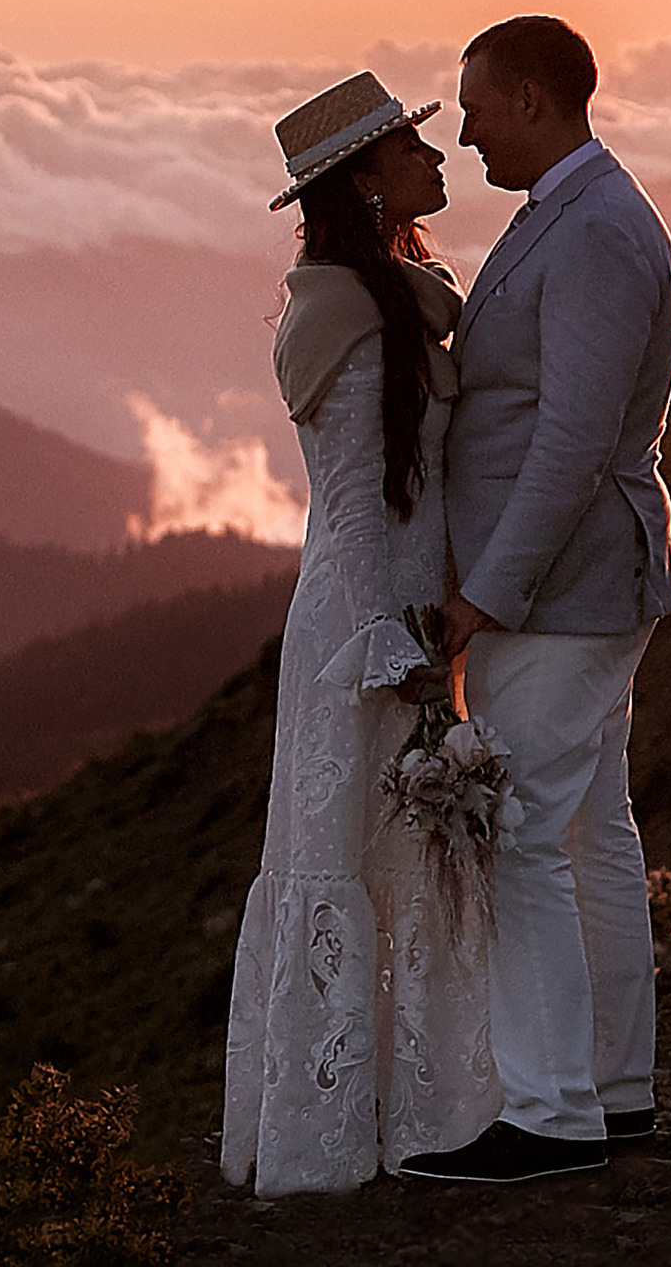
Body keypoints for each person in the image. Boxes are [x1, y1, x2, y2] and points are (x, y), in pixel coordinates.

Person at [401, 15, 671, 1187]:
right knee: (591, 831)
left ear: (528, 98)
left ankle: (552, 1113)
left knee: (522, 835)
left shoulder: (597, 230)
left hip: (562, 591)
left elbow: (570, 439)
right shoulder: (572, 212)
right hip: (580, 584)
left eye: (475, 108)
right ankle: (613, 1091)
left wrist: (485, 591)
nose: (464, 134)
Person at [220, 70, 502, 1192]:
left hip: (398, 609)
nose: (435, 160)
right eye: (409, 149)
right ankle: (358, 1121)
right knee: (362, 844)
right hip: (366, 622)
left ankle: (397, 1106)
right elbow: (352, 502)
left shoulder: (390, 298)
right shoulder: (347, 315)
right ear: (365, 181)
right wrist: (391, 637)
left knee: (399, 846)